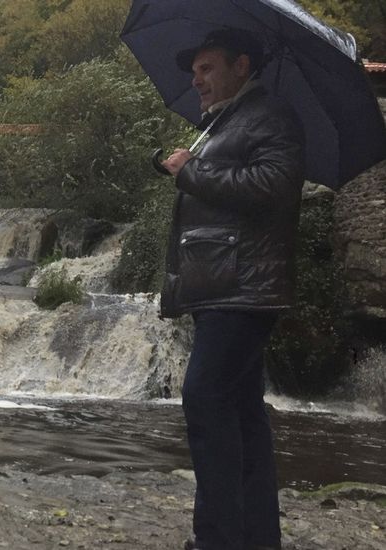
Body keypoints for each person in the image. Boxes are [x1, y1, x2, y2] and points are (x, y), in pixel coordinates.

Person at [159, 29, 306, 550]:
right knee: (243, 413)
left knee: (204, 395)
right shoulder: (226, 120)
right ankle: (256, 539)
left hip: (244, 288)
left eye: (206, 68)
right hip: (226, 285)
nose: (196, 80)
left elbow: (275, 188)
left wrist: (191, 173)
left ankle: (217, 540)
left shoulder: (269, 114)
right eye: (194, 72)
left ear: (241, 65)